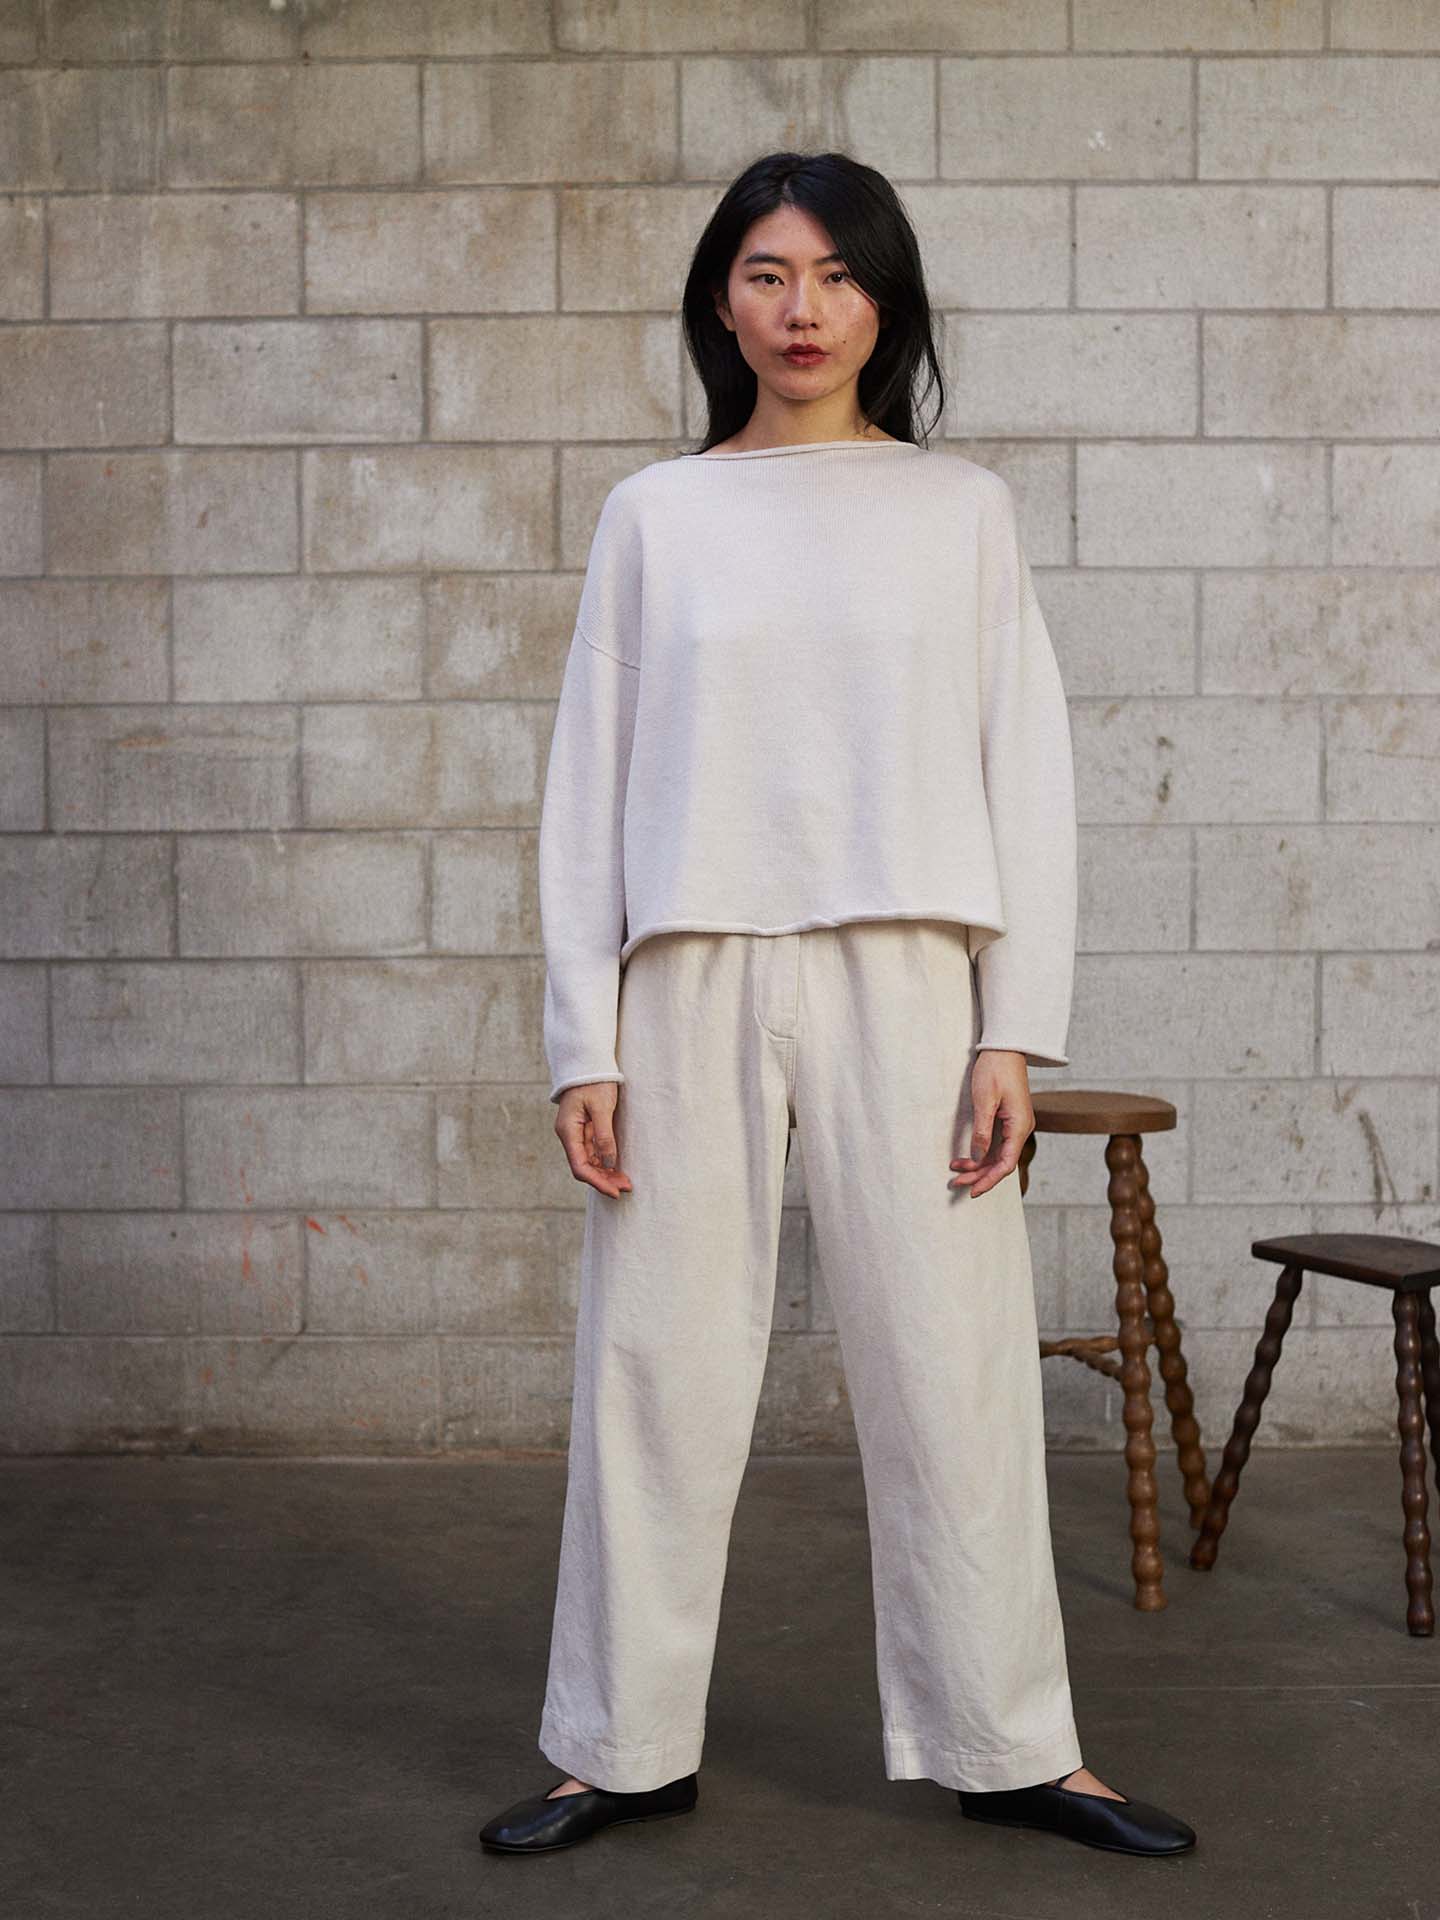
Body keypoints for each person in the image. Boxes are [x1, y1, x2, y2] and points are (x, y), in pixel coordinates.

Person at [479, 150, 1197, 1863]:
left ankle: (1013, 1743)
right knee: (655, 1363)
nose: (802, 311)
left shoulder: (959, 510)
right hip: (691, 970)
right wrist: (585, 1033)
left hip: (910, 972)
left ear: (886, 300)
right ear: (722, 298)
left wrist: (1012, 1023)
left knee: (952, 1365)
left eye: (837, 277)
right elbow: (590, 785)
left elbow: (1024, 773)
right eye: (767, 275)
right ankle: (620, 1744)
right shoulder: (657, 513)